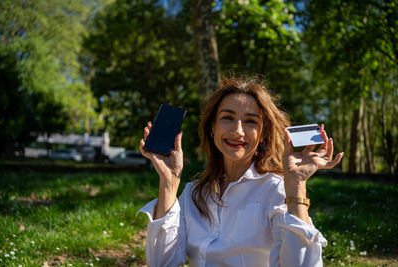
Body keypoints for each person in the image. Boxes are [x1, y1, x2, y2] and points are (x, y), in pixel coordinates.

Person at [138, 76, 344, 267]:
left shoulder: (278, 190)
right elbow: (161, 263)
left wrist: (297, 186)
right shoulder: (192, 194)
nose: (237, 130)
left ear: (263, 135)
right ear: (213, 127)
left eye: (250, 121)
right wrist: (169, 181)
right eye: (227, 118)